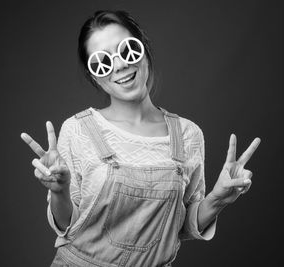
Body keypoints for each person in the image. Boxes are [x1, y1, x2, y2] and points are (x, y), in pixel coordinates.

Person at [21, 10, 261, 267]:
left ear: (143, 49)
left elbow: (181, 227)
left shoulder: (188, 135)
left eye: (127, 51)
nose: (120, 65)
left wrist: (217, 199)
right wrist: (59, 192)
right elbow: (66, 225)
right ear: (96, 77)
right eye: (103, 61)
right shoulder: (77, 130)